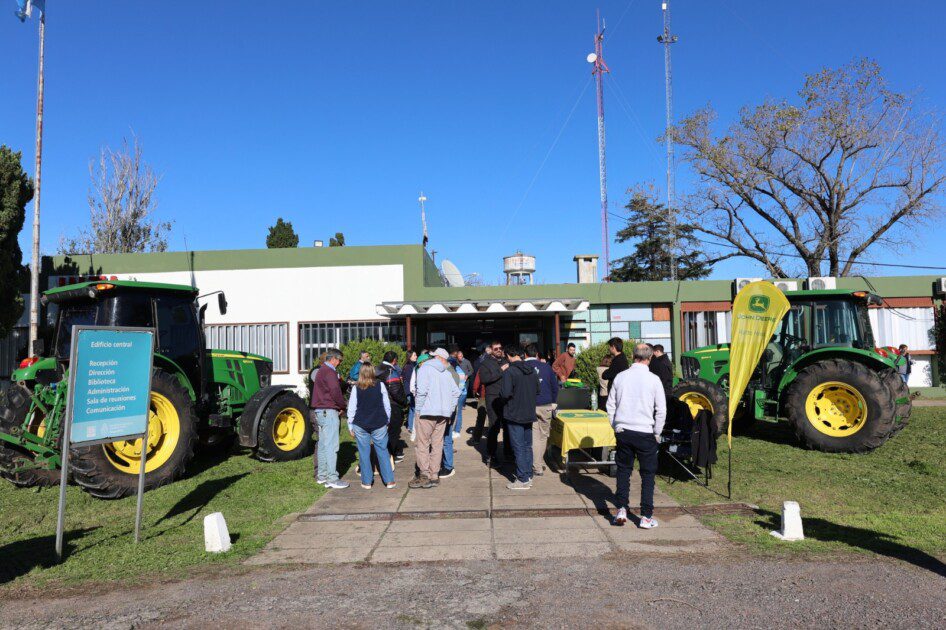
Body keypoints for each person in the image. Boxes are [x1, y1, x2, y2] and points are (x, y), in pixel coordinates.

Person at [607, 343, 667, 529]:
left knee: (623, 471)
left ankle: (622, 508)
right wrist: (657, 432)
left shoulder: (620, 377)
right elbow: (661, 410)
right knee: (647, 475)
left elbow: (610, 405)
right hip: (645, 432)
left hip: (624, 431)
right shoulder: (654, 379)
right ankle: (646, 516)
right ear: (649, 358)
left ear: (633, 356)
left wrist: (615, 425)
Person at [410, 348, 460, 489]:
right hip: (443, 413)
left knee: (423, 444)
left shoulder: (425, 369)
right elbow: (456, 392)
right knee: (437, 444)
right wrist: (449, 410)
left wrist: (418, 411)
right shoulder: (446, 372)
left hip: (426, 412)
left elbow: (421, 392)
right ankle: (434, 475)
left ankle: (424, 475)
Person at [347, 362, 397, 490]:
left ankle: (367, 481)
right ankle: (389, 481)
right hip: (379, 422)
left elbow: (351, 408)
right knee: (383, 451)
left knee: (364, 453)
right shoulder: (380, 385)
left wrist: (350, 425)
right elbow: (387, 405)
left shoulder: (356, 387)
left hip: (360, 423)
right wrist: (387, 421)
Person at [500, 345, 540, 490]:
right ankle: (528, 475)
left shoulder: (509, 371)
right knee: (527, 446)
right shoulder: (532, 371)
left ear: (509, 356)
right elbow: (537, 390)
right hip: (529, 412)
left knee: (518, 447)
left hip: (514, 413)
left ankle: (523, 478)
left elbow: (505, 393)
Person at [309, 348, 350, 489]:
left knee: (322, 445)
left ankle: (322, 476)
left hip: (319, 411)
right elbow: (335, 391)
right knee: (332, 446)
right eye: (339, 360)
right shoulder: (330, 371)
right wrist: (342, 406)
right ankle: (332, 478)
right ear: (334, 359)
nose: (339, 363)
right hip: (328, 411)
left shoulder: (321, 370)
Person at [524, 344, 559, 477]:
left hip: (530, 404)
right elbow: (554, 387)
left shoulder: (524, 366)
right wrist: (554, 402)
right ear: (537, 354)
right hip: (546, 405)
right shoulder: (546, 367)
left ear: (526, 355)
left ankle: (537, 464)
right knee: (543, 436)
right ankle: (538, 463)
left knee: (534, 436)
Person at [477, 340, 514, 465]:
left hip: (506, 397)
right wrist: (500, 370)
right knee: (494, 427)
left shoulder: (506, 361)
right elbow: (484, 379)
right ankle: (491, 455)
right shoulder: (485, 363)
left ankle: (508, 452)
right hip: (493, 398)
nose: (499, 350)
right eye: (496, 348)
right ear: (491, 350)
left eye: (500, 348)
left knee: (508, 426)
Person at [376, 351, 408, 463]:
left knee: (383, 432)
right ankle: (390, 456)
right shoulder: (390, 371)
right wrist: (404, 402)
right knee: (393, 432)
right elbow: (395, 391)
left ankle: (388, 454)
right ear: (394, 360)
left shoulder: (377, 368)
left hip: (380, 404)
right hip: (393, 405)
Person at [439, 353, 466, 479]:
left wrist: (449, 412)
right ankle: (446, 464)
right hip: (448, 409)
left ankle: (448, 466)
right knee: (445, 438)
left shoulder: (450, 374)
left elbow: (453, 394)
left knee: (446, 438)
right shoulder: (451, 372)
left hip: (448, 410)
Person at [454, 348, 473, 439]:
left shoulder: (467, 362)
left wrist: (467, 375)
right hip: (459, 382)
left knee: (464, 393)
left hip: (465, 380)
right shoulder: (456, 363)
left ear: (463, 356)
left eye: (461, 356)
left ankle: (463, 404)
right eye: (459, 357)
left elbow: (471, 370)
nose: (460, 358)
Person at [402, 349, 419, 437]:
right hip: (410, 391)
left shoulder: (413, 365)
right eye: (414, 355)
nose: (416, 356)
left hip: (410, 390)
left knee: (413, 408)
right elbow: (410, 380)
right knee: (414, 408)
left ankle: (410, 426)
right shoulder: (409, 367)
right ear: (410, 357)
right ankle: (411, 427)